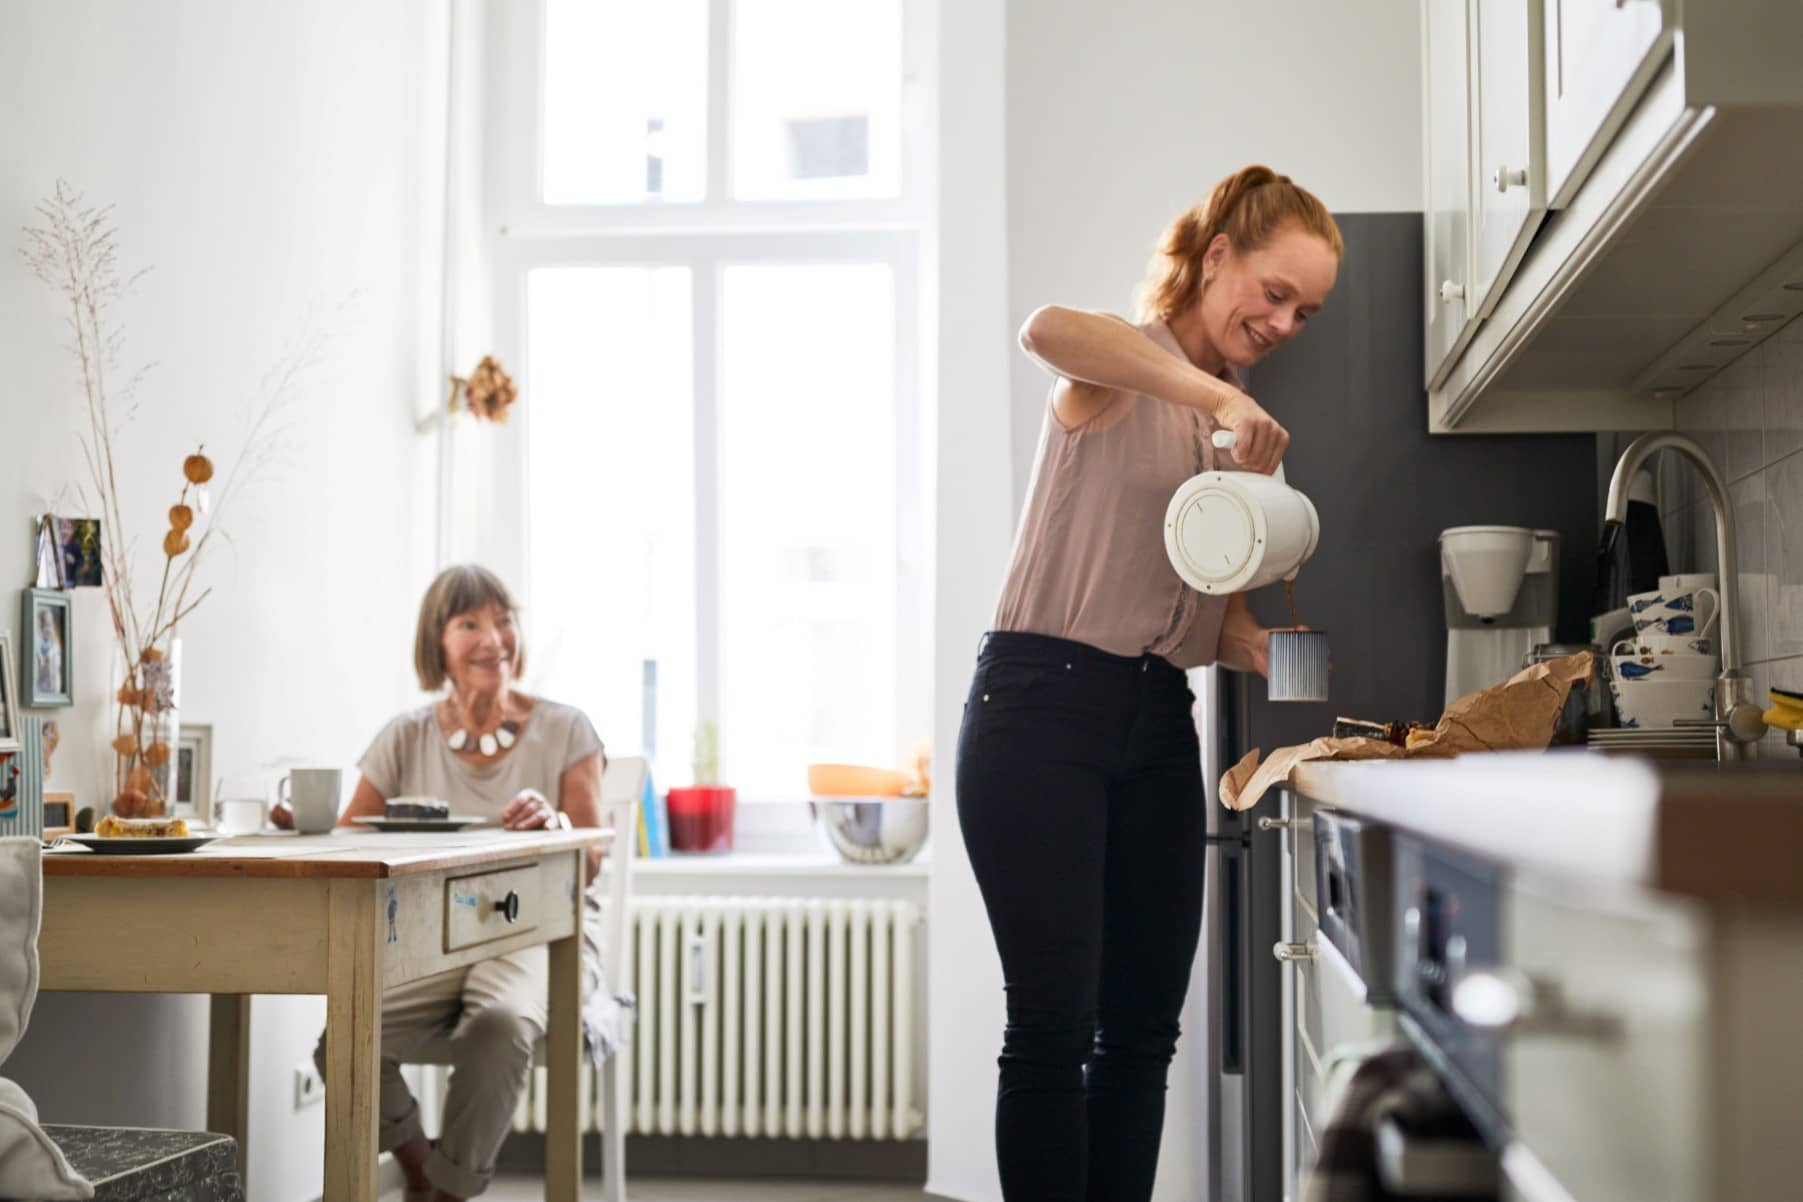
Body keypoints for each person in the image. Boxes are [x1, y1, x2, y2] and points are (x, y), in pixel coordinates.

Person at [956, 165, 1342, 1201]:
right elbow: (1045, 327)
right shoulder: (1128, 368)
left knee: (1141, 1031)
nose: (1285, 320)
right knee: (1051, 1025)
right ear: (1217, 256)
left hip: (1156, 720)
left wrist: (1317, 672)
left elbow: (1213, 624)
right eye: (1274, 291)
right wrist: (1213, 389)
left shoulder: (1229, 426)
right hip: (1040, 710)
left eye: (1305, 309)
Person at [273, 564, 613, 1201]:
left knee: (499, 1027)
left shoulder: (567, 728)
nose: (495, 638)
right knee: (344, 1042)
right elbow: (353, 844)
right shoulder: (405, 736)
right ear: (438, 643)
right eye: (471, 624)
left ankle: (448, 1194)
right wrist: (305, 826)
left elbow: (592, 855)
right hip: (437, 939)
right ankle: (422, 1166)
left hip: (540, 936)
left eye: (504, 620)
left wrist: (556, 823)